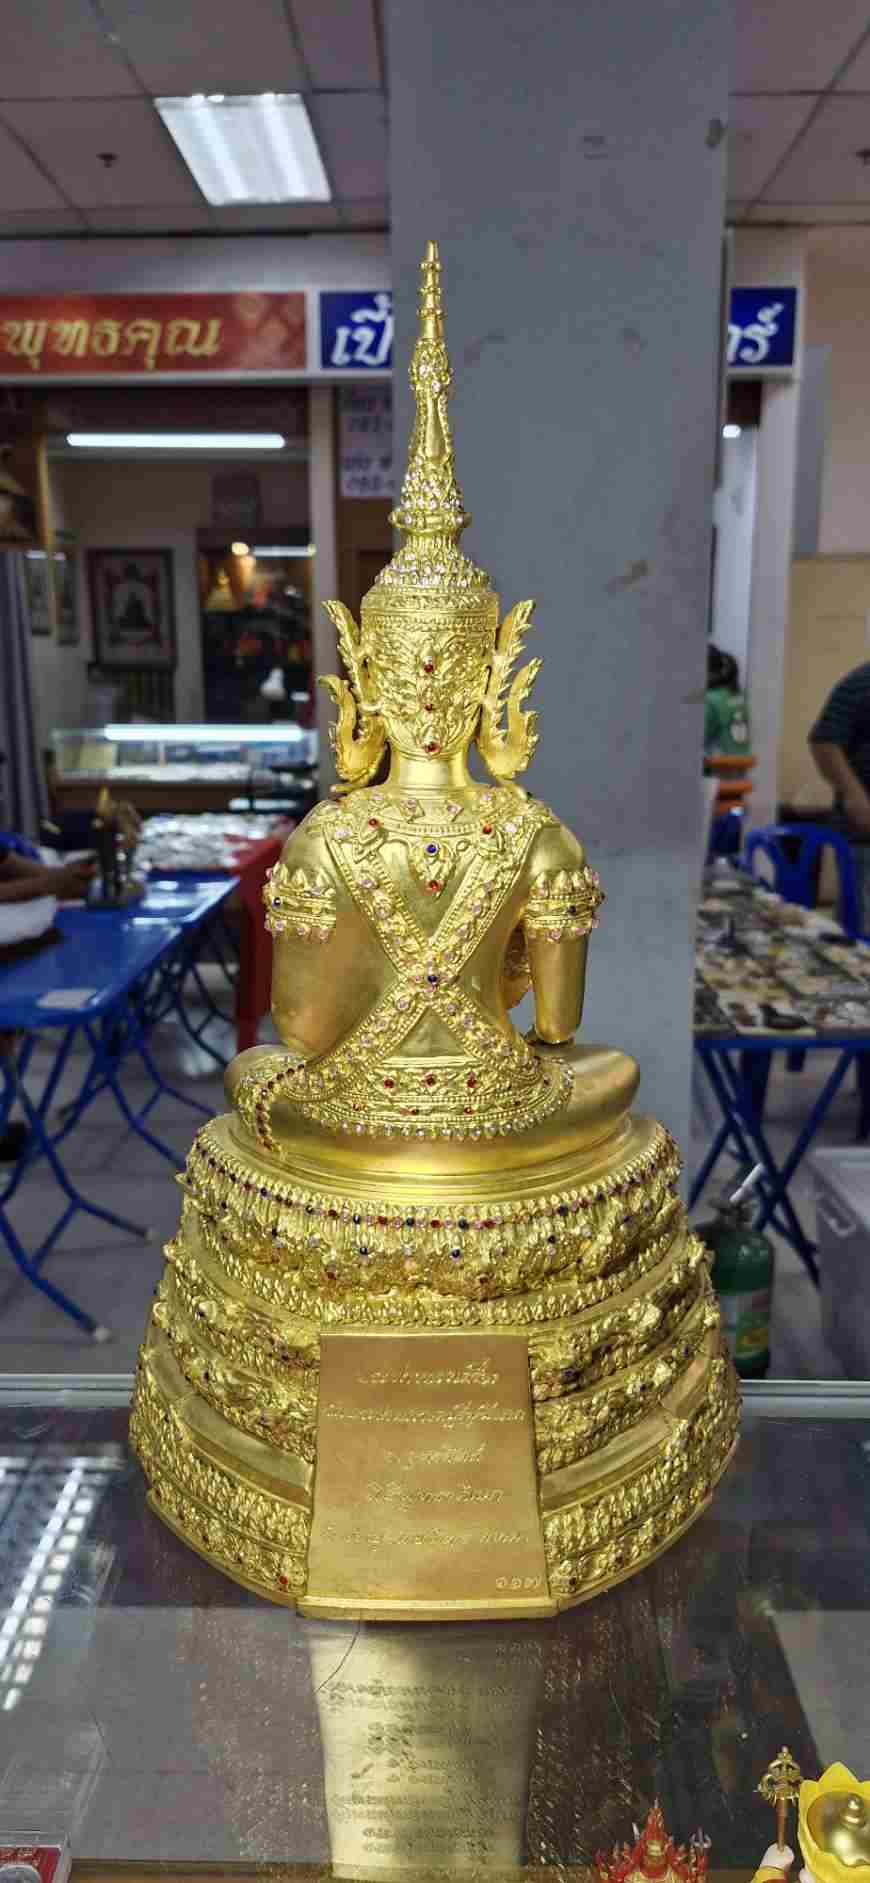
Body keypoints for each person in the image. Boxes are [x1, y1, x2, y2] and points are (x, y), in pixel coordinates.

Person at [809, 661, 870, 927]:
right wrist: (853, 794)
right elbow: (824, 740)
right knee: (860, 927)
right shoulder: (863, 681)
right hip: (864, 834)